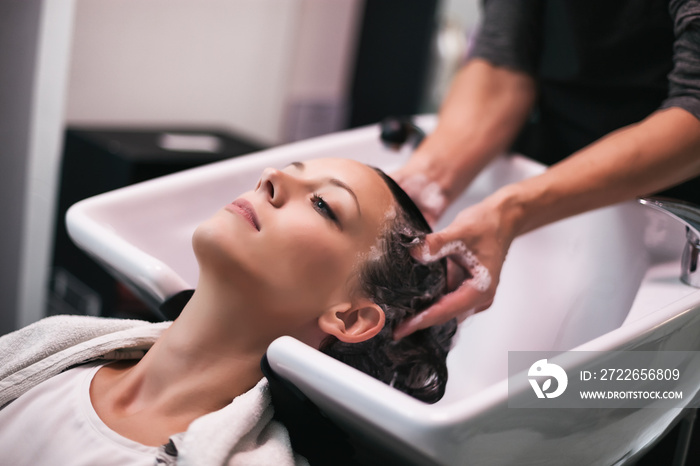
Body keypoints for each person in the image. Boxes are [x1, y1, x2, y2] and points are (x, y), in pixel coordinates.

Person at [0, 158, 456, 465]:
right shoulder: (50, 348)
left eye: (323, 205)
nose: (272, 177)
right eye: (289, 170)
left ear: (350, 318)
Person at [392, 0, 700, 340]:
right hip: (553, 163)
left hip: (672, 213)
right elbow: (503, 57)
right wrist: (427, 180)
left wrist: (512, 209)